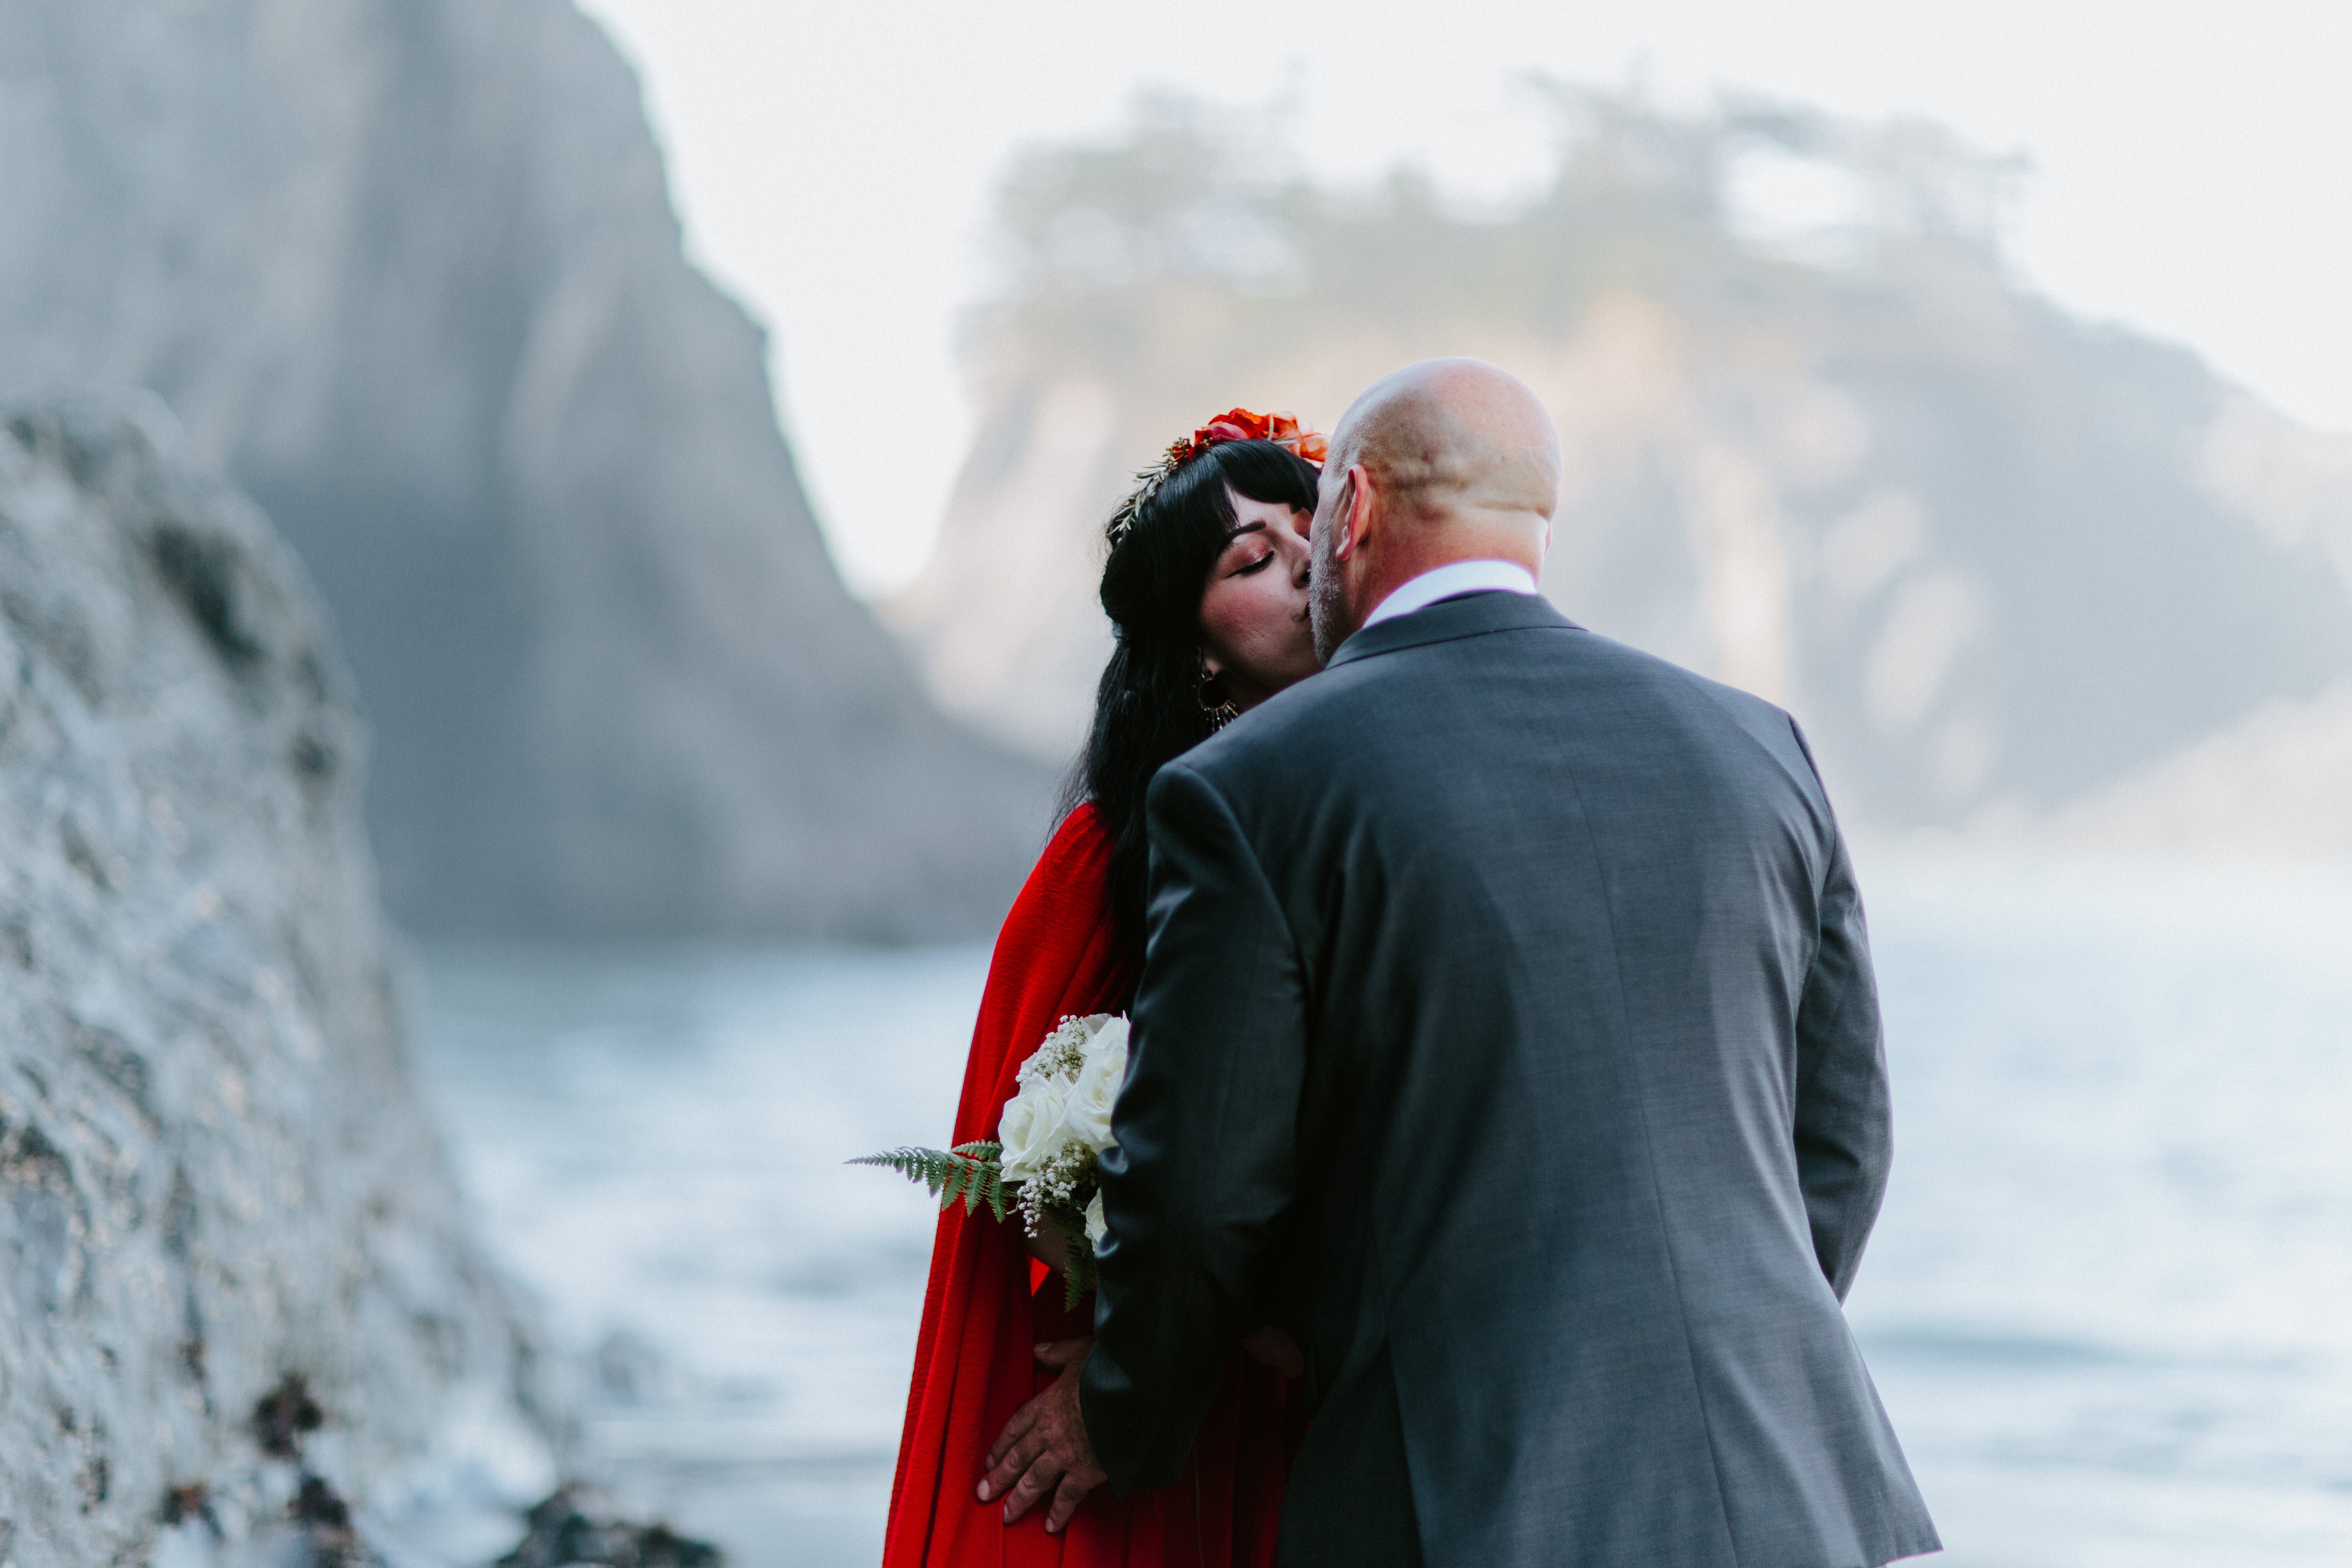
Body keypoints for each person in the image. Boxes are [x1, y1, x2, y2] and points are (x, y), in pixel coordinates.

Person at [980, 359, 1942, 1566]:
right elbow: (1844, 1140)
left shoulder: (1250, 790)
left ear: (1359, 516)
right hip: (1788, 1494)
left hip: (1458, 1503)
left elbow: (1203, 1193)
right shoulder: (1759, 746)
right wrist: (1726, 1356)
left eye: (1310, 520)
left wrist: (1128, 1409)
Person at [882, 410, 1327, 1567]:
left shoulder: (1386, 800)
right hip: (1161, 1383)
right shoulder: (1103, 865)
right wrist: (1144, 1368)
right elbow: (1023, 1159)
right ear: (1196, 650)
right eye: (1251, 559)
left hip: (1322, 1374)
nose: (1303, 562)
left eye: (1311, 526)